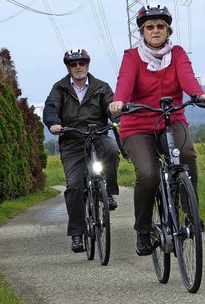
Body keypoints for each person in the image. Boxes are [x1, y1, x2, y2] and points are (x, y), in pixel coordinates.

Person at [108, 4, 205, 256]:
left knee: (187, 156)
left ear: (168, 30)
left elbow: (187, 77)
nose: (155, 30)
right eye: (149, 27)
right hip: (137, 125)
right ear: (142, 32)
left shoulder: (177, 53)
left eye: (160, 26)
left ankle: (191, 214)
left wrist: (199, 94)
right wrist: (119, 101)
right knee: (148, 174)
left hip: (171, 119)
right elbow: (124, 81)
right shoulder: (132, 57)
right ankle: (143, 230)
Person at [43, 48, 121, 253]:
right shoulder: (59, 88)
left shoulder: (101, 87)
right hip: (72, 140)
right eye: (74, 64)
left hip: (98, 135)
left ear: (88, 65)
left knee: (112, 151)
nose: (78, 67)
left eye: (82, 63)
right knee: (75, 186)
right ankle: (77, 233)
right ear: (68, 67)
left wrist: (117, 120)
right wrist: (53, 123)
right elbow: (50, 107)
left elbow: (111, 106)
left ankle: (109, 192)